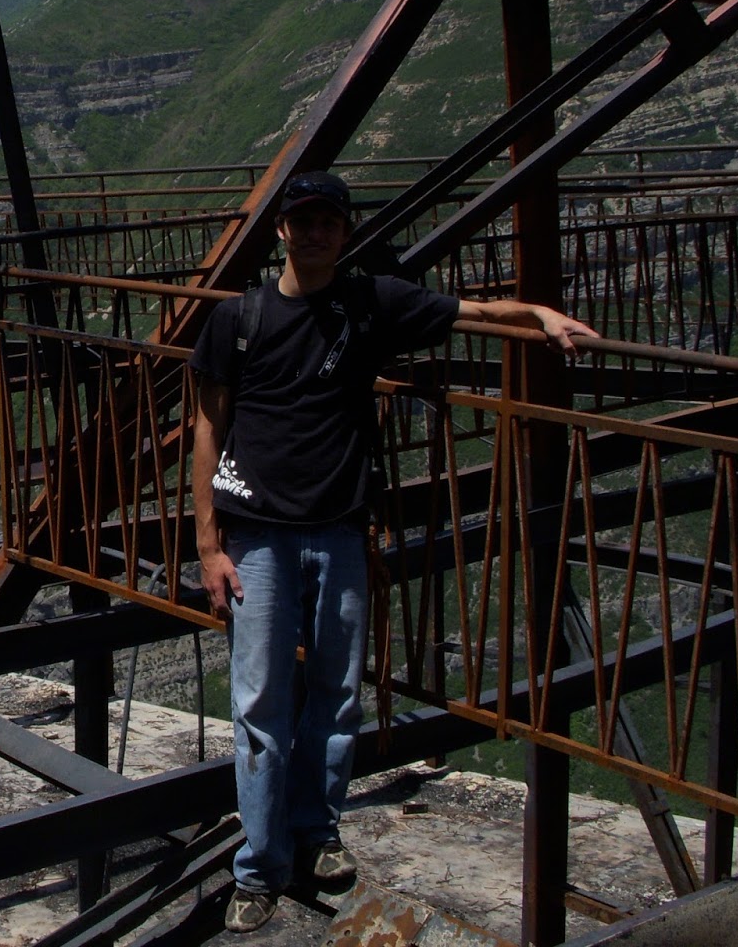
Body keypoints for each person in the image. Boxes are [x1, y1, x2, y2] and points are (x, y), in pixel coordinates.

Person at [190, 171, 597, 934]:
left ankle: (316, 830)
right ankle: (259, 866)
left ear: (343, 233)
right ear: (281, 229)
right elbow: (208, 429)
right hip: (260, 537)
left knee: (335, 701)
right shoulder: (237, 320)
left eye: (327, 222)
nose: (313, 232)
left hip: (341, 528)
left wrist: (538, 313)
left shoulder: (369, 302)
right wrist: (208, 544)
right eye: (301, 220)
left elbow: (471, 310)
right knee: (261, 706)